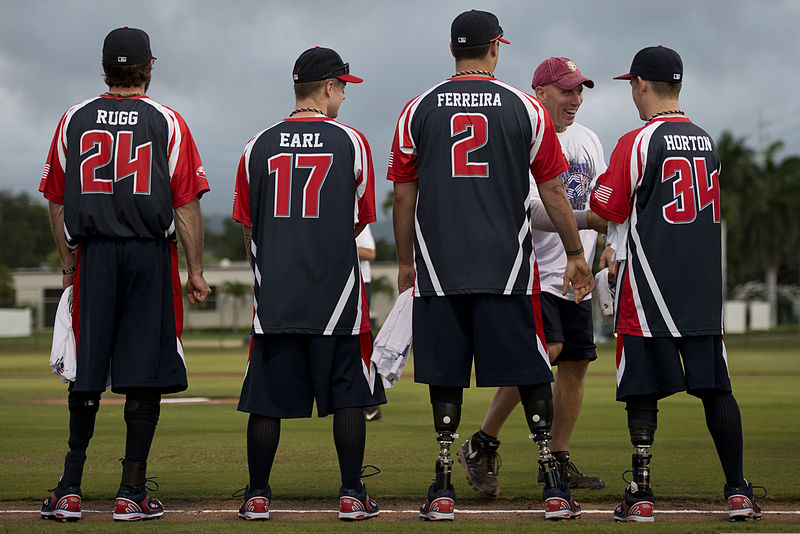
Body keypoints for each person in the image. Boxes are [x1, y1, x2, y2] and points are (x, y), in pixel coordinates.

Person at [389, 10, 595, 521]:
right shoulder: (526, 108)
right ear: (496, 48)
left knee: (446, 376)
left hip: (440, 269)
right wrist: (574, 253)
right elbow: (551, 188)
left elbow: (402, 195)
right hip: (507, 269)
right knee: (530, 370)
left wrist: (406, 262)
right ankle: (552, 483)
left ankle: (441, 486)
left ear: (454, 50)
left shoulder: (417, 108)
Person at [38, 27, 211, 522]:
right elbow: (186, 205)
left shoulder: (74, 117)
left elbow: (54, 197)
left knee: (87, 369)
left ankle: (69, 487)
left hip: (94, 253)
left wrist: (70, 264)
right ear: (150, 66)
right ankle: (130, 491)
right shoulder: (168, 121)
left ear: (104, 68)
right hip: (148, 255)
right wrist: (195, 270)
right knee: (145, 371)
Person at [589, 45, 762, 522]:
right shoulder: (707, 141)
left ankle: (641, 493)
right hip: (702, 291)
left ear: (640, 84)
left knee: (642, 388)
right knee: (715, 389)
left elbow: (608, 206)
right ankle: (738, 490)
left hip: (649, 291)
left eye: (631, 84)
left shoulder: (638, 141)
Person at [232, 46, 385, 522]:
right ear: (327, 87)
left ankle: (257, 495)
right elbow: (359, 221)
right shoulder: (352, 142)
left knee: (267, 399)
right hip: (336, 295)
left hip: (276, 294)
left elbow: (246, 225)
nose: (344, 95)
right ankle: (350, 494)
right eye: (342, 86)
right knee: (348, 395)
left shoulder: (256, 144)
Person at [457, 57, 608, 498]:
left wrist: (611, 240)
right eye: (566, 90)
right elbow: (535, 211)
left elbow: (602, 199)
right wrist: (588, 223)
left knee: (576, 363)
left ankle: (555, 459)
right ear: (540, 92)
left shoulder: (588, 140)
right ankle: (482, 442)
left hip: (575, 273)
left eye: (580, 90)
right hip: (534, 271)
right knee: (548, 352)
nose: (575, 99)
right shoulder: (524, 134)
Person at [357, 225, 383, 422]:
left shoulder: (355, 219)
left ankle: (371, 401)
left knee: (362, 340)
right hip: (334, 281)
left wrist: (336, 243)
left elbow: (370, 252)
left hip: (359, 282)